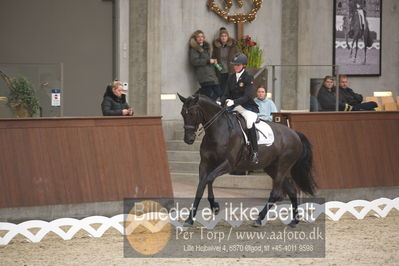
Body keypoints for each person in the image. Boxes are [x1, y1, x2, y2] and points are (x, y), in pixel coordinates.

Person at [221, 53, 260, 163]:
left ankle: (255, 152)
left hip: (247, 107)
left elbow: (247, 96)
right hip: (233, 106)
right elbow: (226, 93)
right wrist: (221, 100)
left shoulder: (249, 78)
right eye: (234, 65)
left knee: (249, 123)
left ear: (243, 65)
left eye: (238, 65)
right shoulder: (231, 77)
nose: (236, 67)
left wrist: (234, 101)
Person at [189, 30, 222, 101]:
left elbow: (207, 60)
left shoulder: (206, 47)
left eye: (202, 36)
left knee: (219, 94)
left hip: (211, 75)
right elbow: (194, 61)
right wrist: (208, 61)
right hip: (204, 76)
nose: (201, 38)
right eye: (198, 37)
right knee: (210, 96)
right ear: (195, 38)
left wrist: (212, 61)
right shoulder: (194, 49)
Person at [212, 27, 238, 94]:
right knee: (223, 90)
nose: (223, 38)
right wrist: (216, 65)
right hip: (221, 71)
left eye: (225, 36)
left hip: (231, 70)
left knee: (231, 89)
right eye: (222, 36)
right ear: (220, 37)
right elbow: (213, 58)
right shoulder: (217, 47)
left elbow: (238, 57)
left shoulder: (233, 46)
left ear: (228, 37)